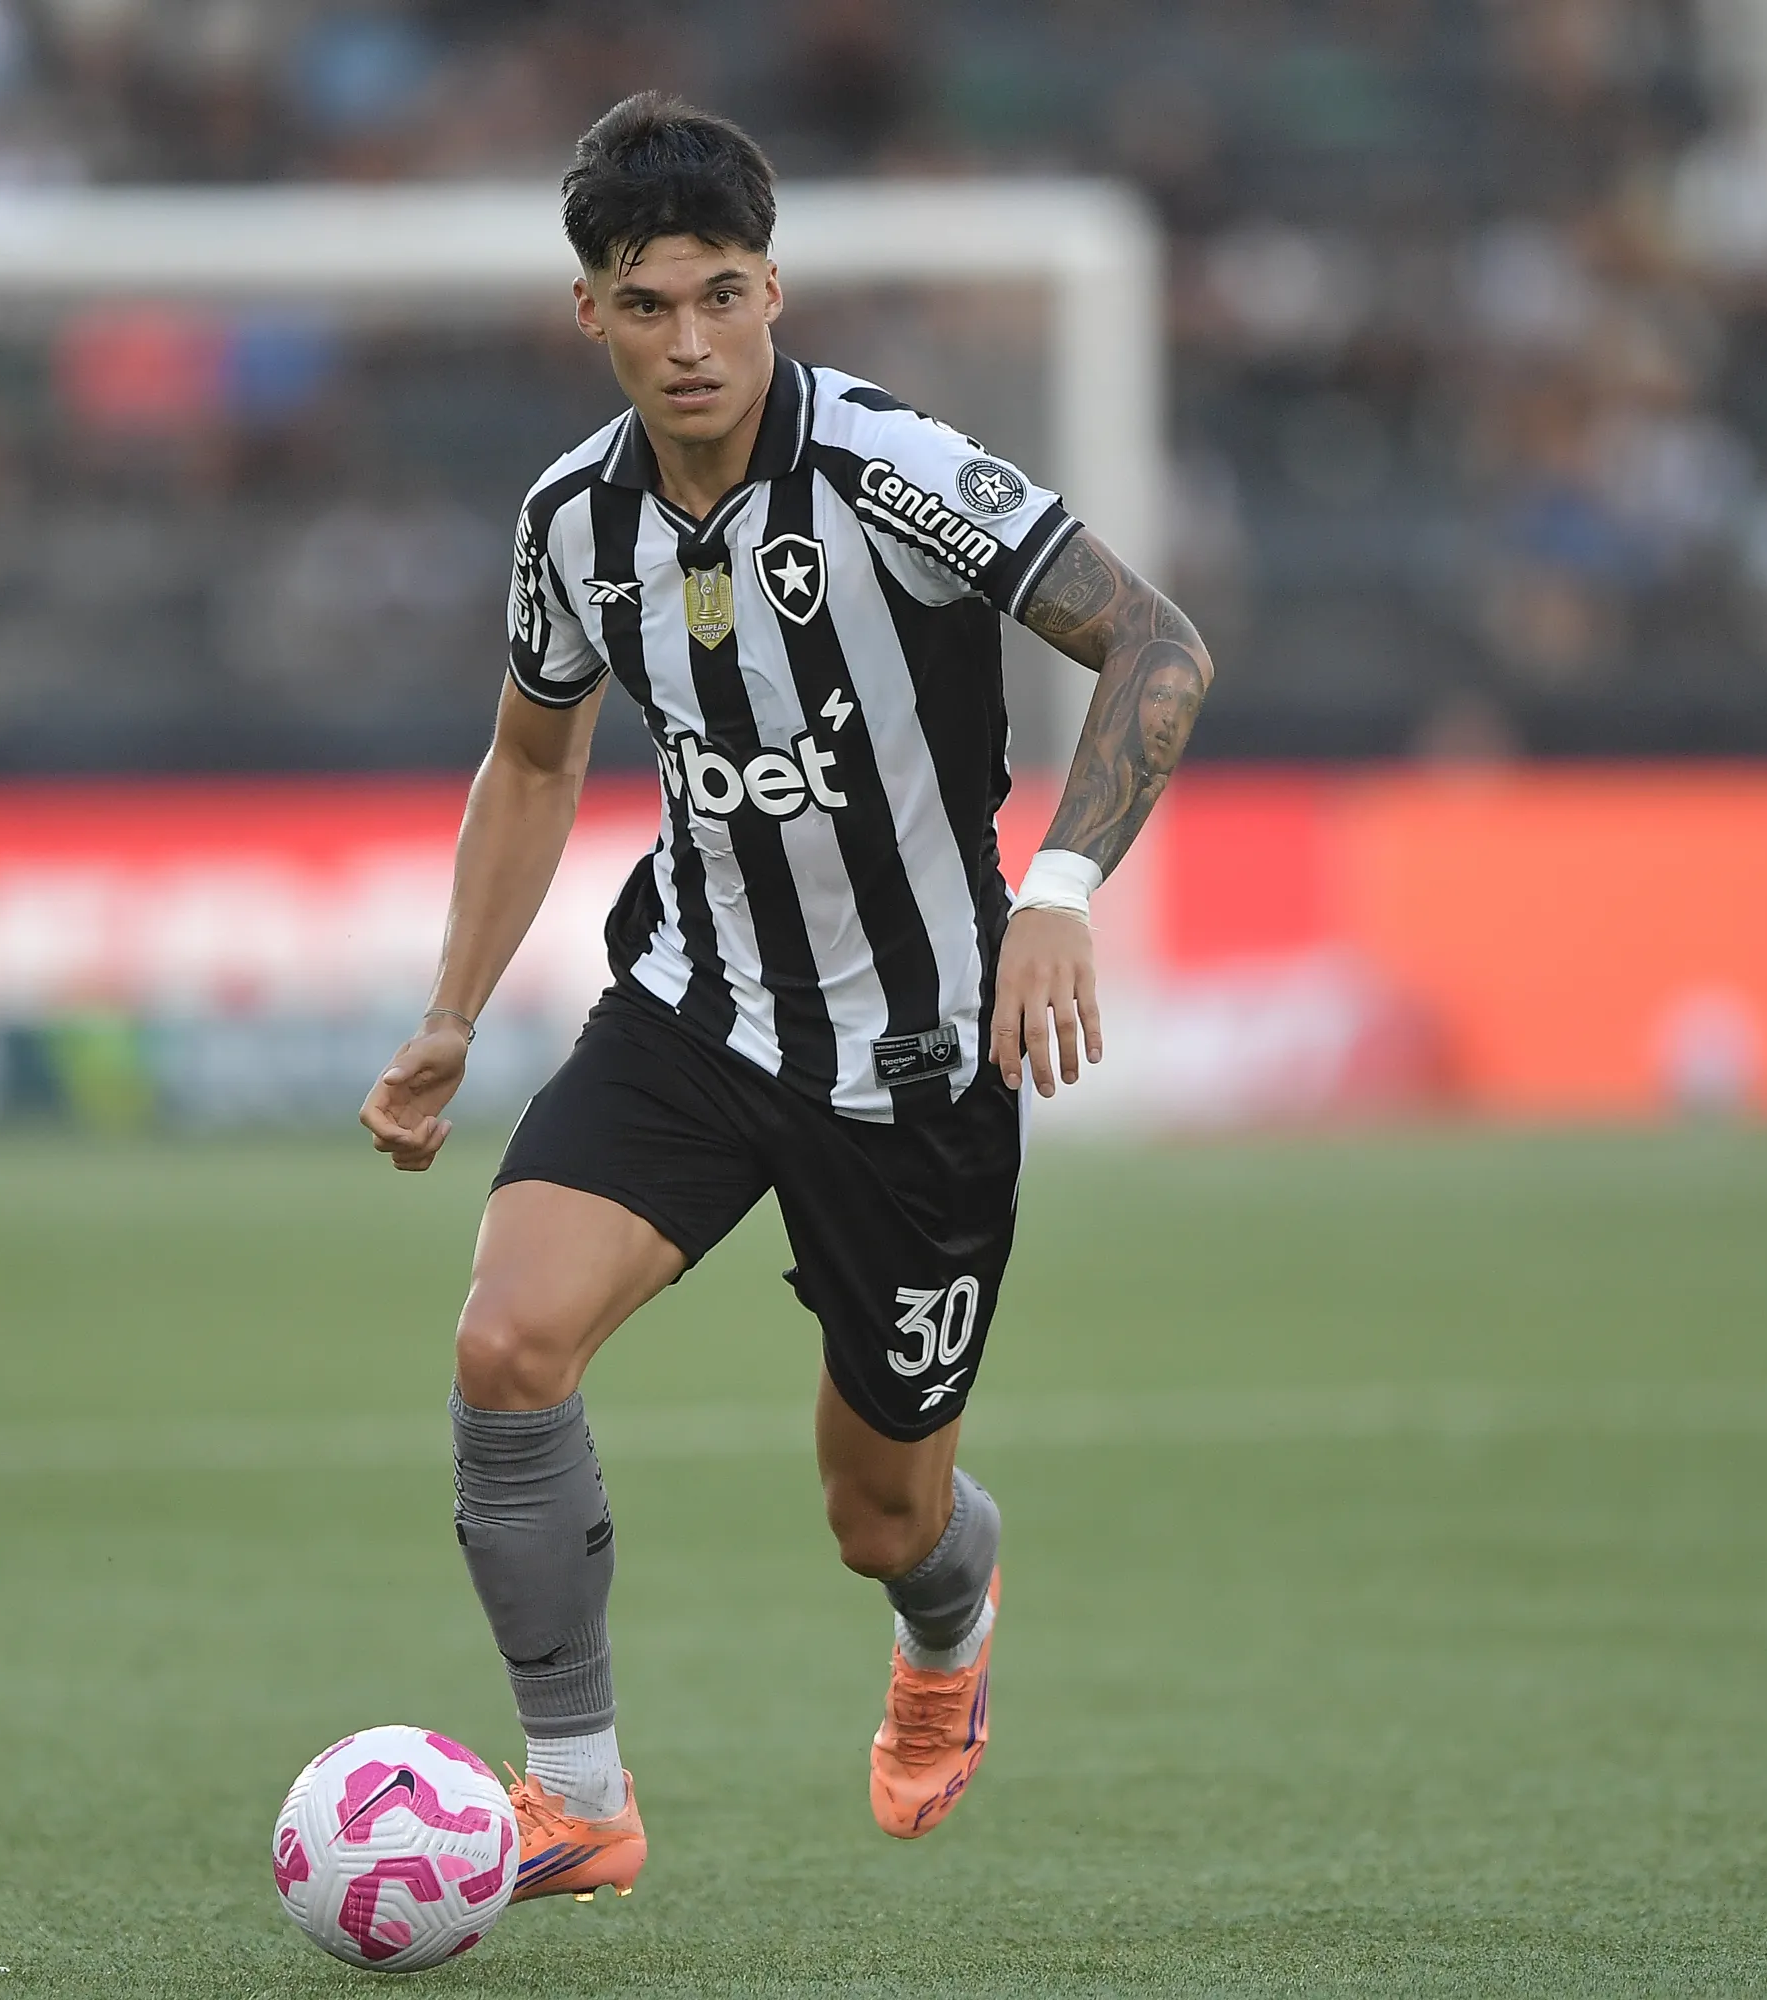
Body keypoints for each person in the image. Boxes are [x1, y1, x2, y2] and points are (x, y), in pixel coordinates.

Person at [357, 92, 1214, 1900]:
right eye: (648, 305)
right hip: (695, 1009)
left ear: (772, 291)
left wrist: (1060, 893)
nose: (691, 342)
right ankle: (577, 1795)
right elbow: (534, 758)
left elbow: (1158, 643)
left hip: (918, 1058)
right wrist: (452, 1010)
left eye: (722, 297)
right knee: (506, 1348)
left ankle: (948, 1626)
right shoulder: (572, 523)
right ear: (589, 312)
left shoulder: (892, 472)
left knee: (880, 1520)